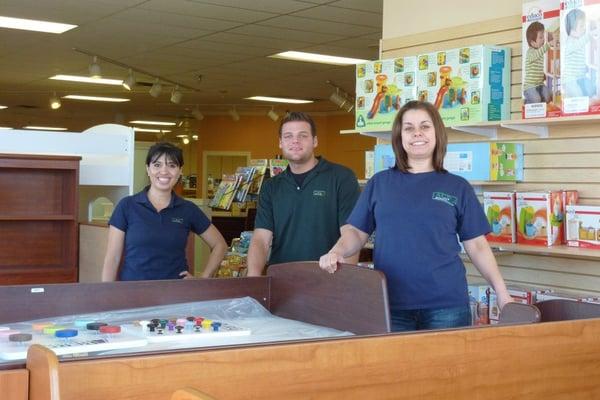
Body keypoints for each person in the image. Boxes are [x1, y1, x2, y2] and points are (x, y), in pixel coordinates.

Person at [319, 100, 513, 332]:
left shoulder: (457, 187)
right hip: (390, 304)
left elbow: (478, 246)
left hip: (447, 306)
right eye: (409, 128)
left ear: (437, 133)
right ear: (400, 137)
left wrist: (502, 294)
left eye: (425, 126)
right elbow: (356, 232)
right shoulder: (380, 183)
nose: (417, 133)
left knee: (446, 369)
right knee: (396, 369)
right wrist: (337, 251)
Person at [246, 111, 361, 276]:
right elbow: (260, 240)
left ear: (315, 141)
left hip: (328, 281)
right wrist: (253, 277)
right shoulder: (271, 187)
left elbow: (352, 234)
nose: (295, 141)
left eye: (303, 135)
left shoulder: (341, 177)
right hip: (282, 282)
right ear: (280, 143)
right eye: (288, 136)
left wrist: (344, 282)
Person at [102, 142, 227, 281]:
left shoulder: (188, 209)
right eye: (157, 165)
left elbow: (220, 245)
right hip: (133, 292)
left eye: (172, 165)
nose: (164, 171)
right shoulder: (127, 206)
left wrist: (203, 279)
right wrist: (107, 295)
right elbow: (112, 258)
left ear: (180, 171)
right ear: (148, 169)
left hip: (175, 293)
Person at [563, 8, 596, 98]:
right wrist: (589, 35)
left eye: (584, 25)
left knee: (592, 89)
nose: (584, 28)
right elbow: (580, 43)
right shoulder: (570, 42)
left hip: (580, 77)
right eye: (581, 26)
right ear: (572, 30)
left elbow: (579, 58)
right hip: (570, 80)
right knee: (579, 96)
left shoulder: (578, 39)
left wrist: (583, 66)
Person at [523, 21, 557, 104]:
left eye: (543, 36)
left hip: (540, 84)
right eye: (541, 37)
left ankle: (541, 98)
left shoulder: (540, 52)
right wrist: (548, 45)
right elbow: (536, 55)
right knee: (536, 99)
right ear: (532, 42)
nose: (544, 39)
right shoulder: (530, 53)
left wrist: (542, 75)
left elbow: (536, 67)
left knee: (548, 97)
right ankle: (527, 102)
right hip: (530, 87)